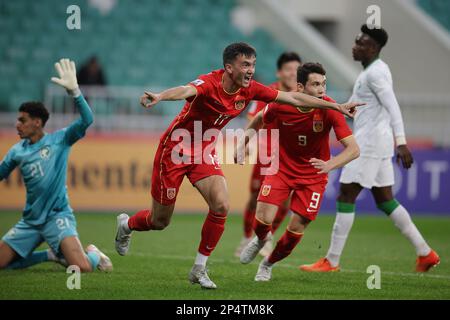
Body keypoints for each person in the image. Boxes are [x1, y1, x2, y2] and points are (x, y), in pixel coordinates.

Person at [114, 42, 361, 289]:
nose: (251, 70)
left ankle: (199, 268)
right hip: (176, 150)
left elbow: (293, 97)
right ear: (229, 68)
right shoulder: (210, 83)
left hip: (202, 152)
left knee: (221, 204)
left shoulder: (250, 89)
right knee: (160, 221)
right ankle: (127, 225)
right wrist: (160, 96)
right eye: (245, 65)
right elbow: (185, 90)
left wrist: (336, 105)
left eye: (253, 64)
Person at [300, 24, 440, 273]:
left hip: (370, 143)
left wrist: (402, 141)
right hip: (378, 140)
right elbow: (378, 107)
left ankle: (331, 261)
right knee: (385, 199)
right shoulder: (376, 70)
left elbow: (393, 106)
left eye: (360, 43)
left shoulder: (374, 74)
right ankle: (425, 252)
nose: (355, 46)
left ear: (373, 48)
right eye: (356, 41)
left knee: (346, 194)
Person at [237, 62, 360, 281]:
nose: (322, 90)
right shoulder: (282, 103)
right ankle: (261, 239)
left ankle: (268, 263)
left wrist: (330, 164)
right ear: (301, 87)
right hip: (281, 169)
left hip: (313, 176)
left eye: (324, 84)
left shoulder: (330, 109)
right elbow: (257, 120)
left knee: (296, 228)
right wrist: (242, 144)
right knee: (263, 217)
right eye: (316, 84)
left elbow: (354, 149)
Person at [0, 59, 112, 272]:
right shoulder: (17, 151)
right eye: (17, 120)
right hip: (31, 221)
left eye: (22, 120)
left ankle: (94, 253)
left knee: (82, 268)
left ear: (37, 122)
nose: (17, 125)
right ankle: (49, 255)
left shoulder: (60, 140)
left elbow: (87, 120)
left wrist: (75, 92)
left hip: (57, 217)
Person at [235, 52, 302, 258]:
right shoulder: (268, 92)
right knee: (257, 197)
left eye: (297, 70)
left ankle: (265, 237)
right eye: (289, 69)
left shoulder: (303, 94)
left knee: (283, 201)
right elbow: (253, 118)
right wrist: (246, 143)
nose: (293, 74)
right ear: (279, 72)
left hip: (290, 156)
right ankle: (247, 237)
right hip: (266, 154)